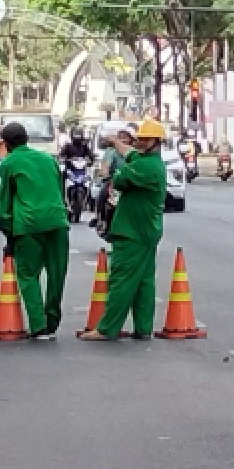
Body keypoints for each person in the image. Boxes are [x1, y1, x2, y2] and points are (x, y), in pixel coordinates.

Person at [79, 117, 168, 341]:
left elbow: (118, 179)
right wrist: (115, 142)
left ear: (155, 142)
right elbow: (130, 153)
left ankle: (107, 329)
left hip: (132, 231)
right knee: (144, 281)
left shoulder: (145, 167)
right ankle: (143, 327)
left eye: (145, 139)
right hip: (146, 230)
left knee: (121, 280)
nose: (139, 141)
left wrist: (116, 168)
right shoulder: (150, 161)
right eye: (139, 138)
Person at [0, 121, 71, 339]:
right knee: (57, 273)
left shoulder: (9, 163)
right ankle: (52, 320)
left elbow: (3, 201)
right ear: (27, 139)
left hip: (28, 225)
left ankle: (39, 326)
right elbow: (59, 190)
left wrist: (8, 230)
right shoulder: (49, 159)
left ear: (6, 143)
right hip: (57, 221)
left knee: (28, 274)